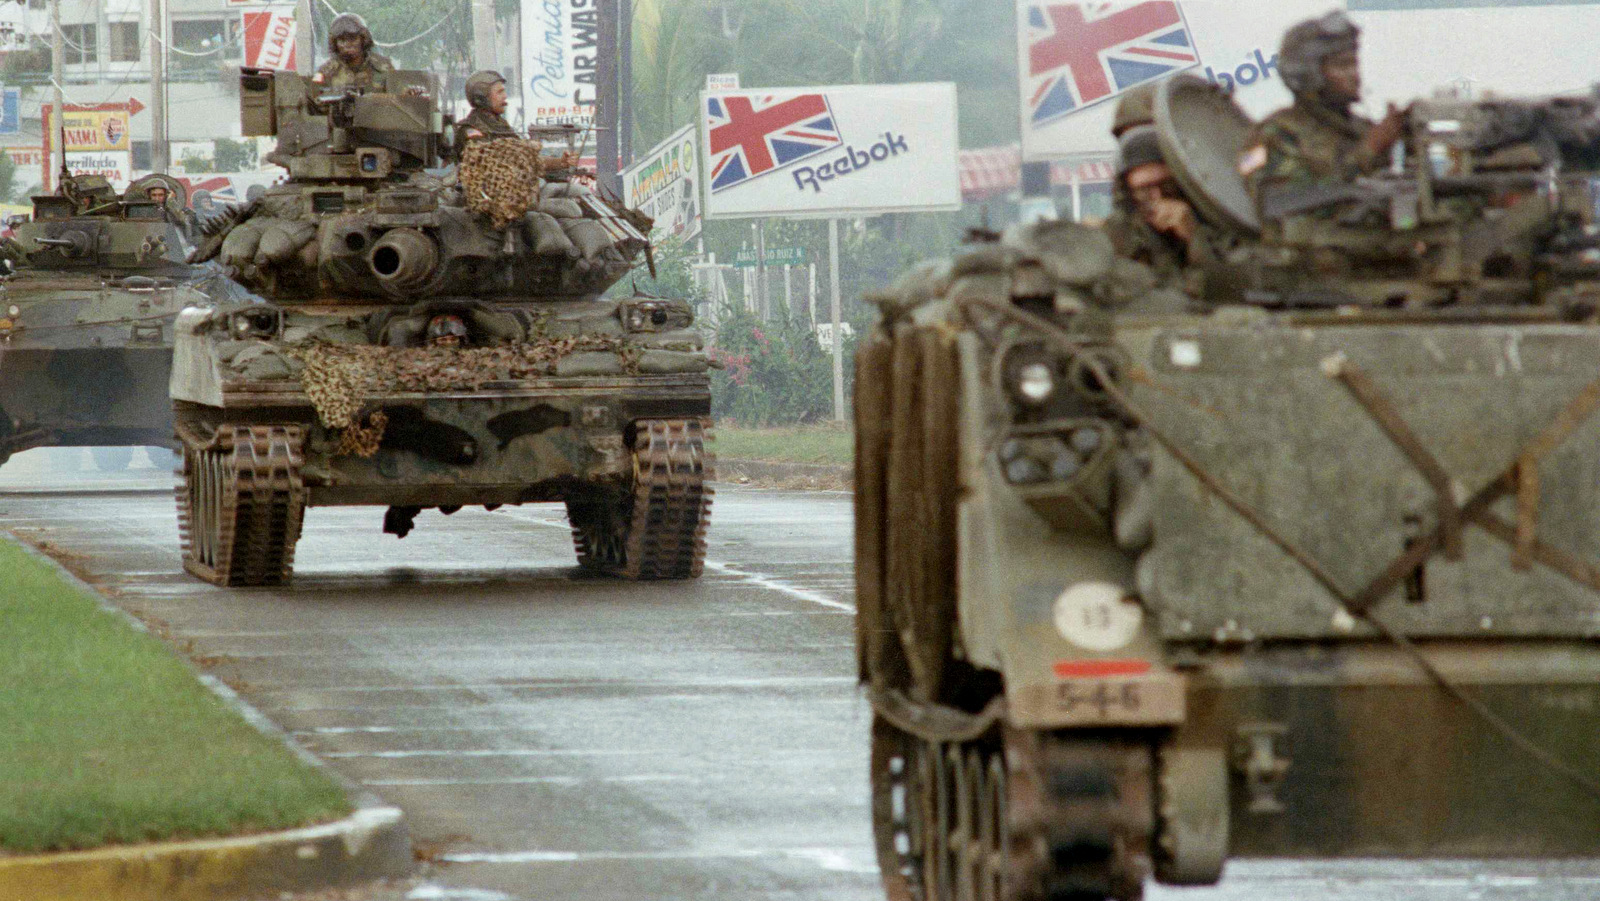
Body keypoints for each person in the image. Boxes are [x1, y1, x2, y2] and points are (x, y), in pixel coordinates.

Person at [1240, 11, 1407, 209]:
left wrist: (1407, 141)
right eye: (1342, 65)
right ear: (1309, 74)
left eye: (1354, 63)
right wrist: (1369, 150)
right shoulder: (1274, 135)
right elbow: (1279, 202)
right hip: (1304, 240)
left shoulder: (1361, 128)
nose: (1355, 75)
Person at [1103, 125, 1220, 287]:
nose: (1157, 197)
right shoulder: (1115, 237)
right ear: (1128, 191)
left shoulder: (1216, 226)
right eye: (1144, 189)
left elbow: (1227, 288)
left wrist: (1194, 238)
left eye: (1166, 185)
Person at [313, 13, 393, 91]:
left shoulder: (383, 67)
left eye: (352, 39)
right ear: (335, 43)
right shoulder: (325, 71)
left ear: (363, 39)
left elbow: (398, 100)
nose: (347, 44)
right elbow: (313, 98)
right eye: (342, 40)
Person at [457, 70, 519, 147]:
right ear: (481, 98)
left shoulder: (501, 125)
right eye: (500, 92)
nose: (505, 96)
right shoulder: (470, 129)